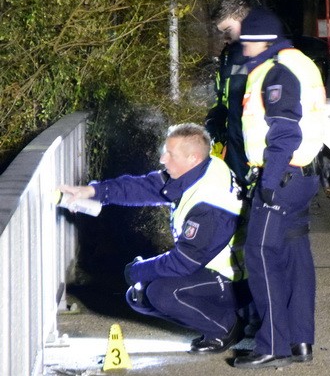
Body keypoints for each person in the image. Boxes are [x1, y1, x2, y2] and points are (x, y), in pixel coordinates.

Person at [59, 124, 247, 354]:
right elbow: (143, 187)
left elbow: (183, 262)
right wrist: (94, 192)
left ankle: (227, 327)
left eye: (170, 154)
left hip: (233, 279)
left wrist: (138, 270)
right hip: (209, 269)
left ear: (193, 158)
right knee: (139, 296)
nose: (162, 159)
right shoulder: (201, 170)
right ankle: (219, 319)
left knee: (161, 293)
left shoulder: (210, 204)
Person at [233, 8, 326, 369]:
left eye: (246, 41)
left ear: (263, 41)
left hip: (281, 176)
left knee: (260, 254)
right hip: (302, 175)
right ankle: (301, 340)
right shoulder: (300, 62)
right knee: (296, 259)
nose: (242, 49)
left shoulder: (277, 72)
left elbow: (286, 130)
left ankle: (273, 344)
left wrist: (268, 183)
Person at [206, 0, 256, 183]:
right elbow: (225, 96)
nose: (225, 38)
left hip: (252, 151)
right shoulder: (230, 55)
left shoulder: (261, 53)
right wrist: (217, 116)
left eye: (228, 29)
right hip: (233, 145)